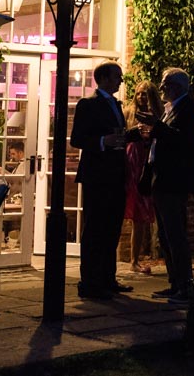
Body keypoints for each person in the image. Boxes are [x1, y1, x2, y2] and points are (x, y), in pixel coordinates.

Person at [69, 61, 139, 300]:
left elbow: (118, 138)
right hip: (97, 176)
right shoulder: (88, 104)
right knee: (94, 230)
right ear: (104, 79)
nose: (121, 81)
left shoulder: (116, 105)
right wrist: (102, 142)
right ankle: (89, 282)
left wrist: (132, 135)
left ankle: (108, 278)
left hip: (116, 174)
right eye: (117, 76)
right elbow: (77, 139)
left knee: (112, 229)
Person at [135, 67, 194, 304]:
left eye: (165, 84)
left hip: (174, 180)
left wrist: (157, 126)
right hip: (161, 178)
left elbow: (186, 141)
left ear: (177, 87)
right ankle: (175, 282)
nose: (161, 88)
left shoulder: (189, 109)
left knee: (175, 234)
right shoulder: (169, 109)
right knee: (165, 235)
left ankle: (185, 285)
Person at [124, 80, 160, 275]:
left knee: (144, 213)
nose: (140, 97)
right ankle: (133, 260)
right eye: (138, 94)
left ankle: (137, 259)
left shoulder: (157, 115)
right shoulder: (129, 113)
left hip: (148, 163)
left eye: (144, 94)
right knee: (133, 212)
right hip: (132, 163)